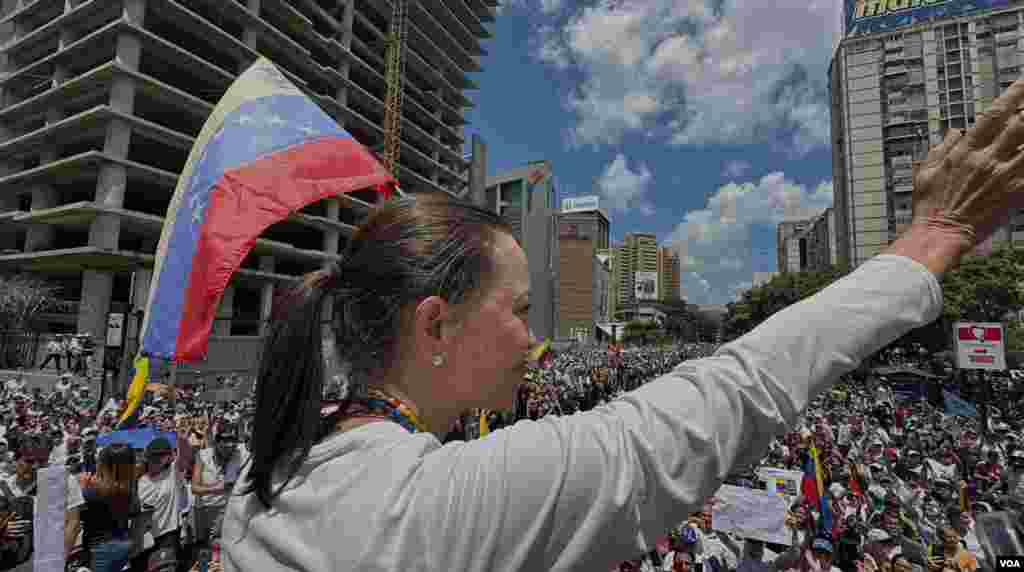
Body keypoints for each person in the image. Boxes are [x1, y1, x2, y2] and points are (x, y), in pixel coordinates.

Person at [222, 78, 1024, 572]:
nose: (535, 342)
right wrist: (927, 244)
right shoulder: (439, 506)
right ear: (436, 325)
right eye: (520, 311)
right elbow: (729, 391)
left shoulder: (266, 481)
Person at [78, 444, 139, 572]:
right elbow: (135, 511)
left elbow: (78, 517)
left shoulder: (93, 492)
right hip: (123, 544)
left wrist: (83, 487)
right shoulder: (130, 487)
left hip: (101, 549)